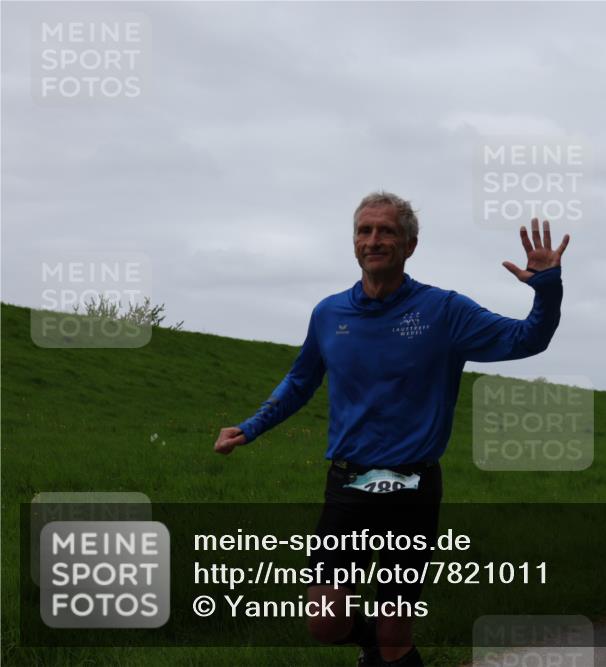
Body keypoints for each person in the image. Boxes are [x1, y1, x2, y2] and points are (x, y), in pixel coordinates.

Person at [213, 192, 569, 666]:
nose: (374, 240)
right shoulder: (329, 314)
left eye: (387, 231)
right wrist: (251, 427)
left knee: (395, 632)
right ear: (354, 242)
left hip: (413, 489)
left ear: (410, 245)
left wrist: (547, 288)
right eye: (365, 231)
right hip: (348, 485)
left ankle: (385, 648)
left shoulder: (444, 311)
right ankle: (373, 645)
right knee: (324, 622)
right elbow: (300, 381)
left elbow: (528, 338)